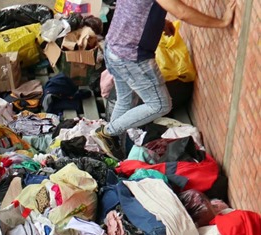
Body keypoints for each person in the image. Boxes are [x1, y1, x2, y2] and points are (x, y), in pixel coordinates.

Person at [96, 0, 235, 154]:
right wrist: (222, 22)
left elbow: (134, 9)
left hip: (113, 48)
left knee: (126, 99)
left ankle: (110, 141)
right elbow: (182, 12)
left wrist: (160, 22)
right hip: (130, 57)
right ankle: (109, 132)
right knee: (160, 105)